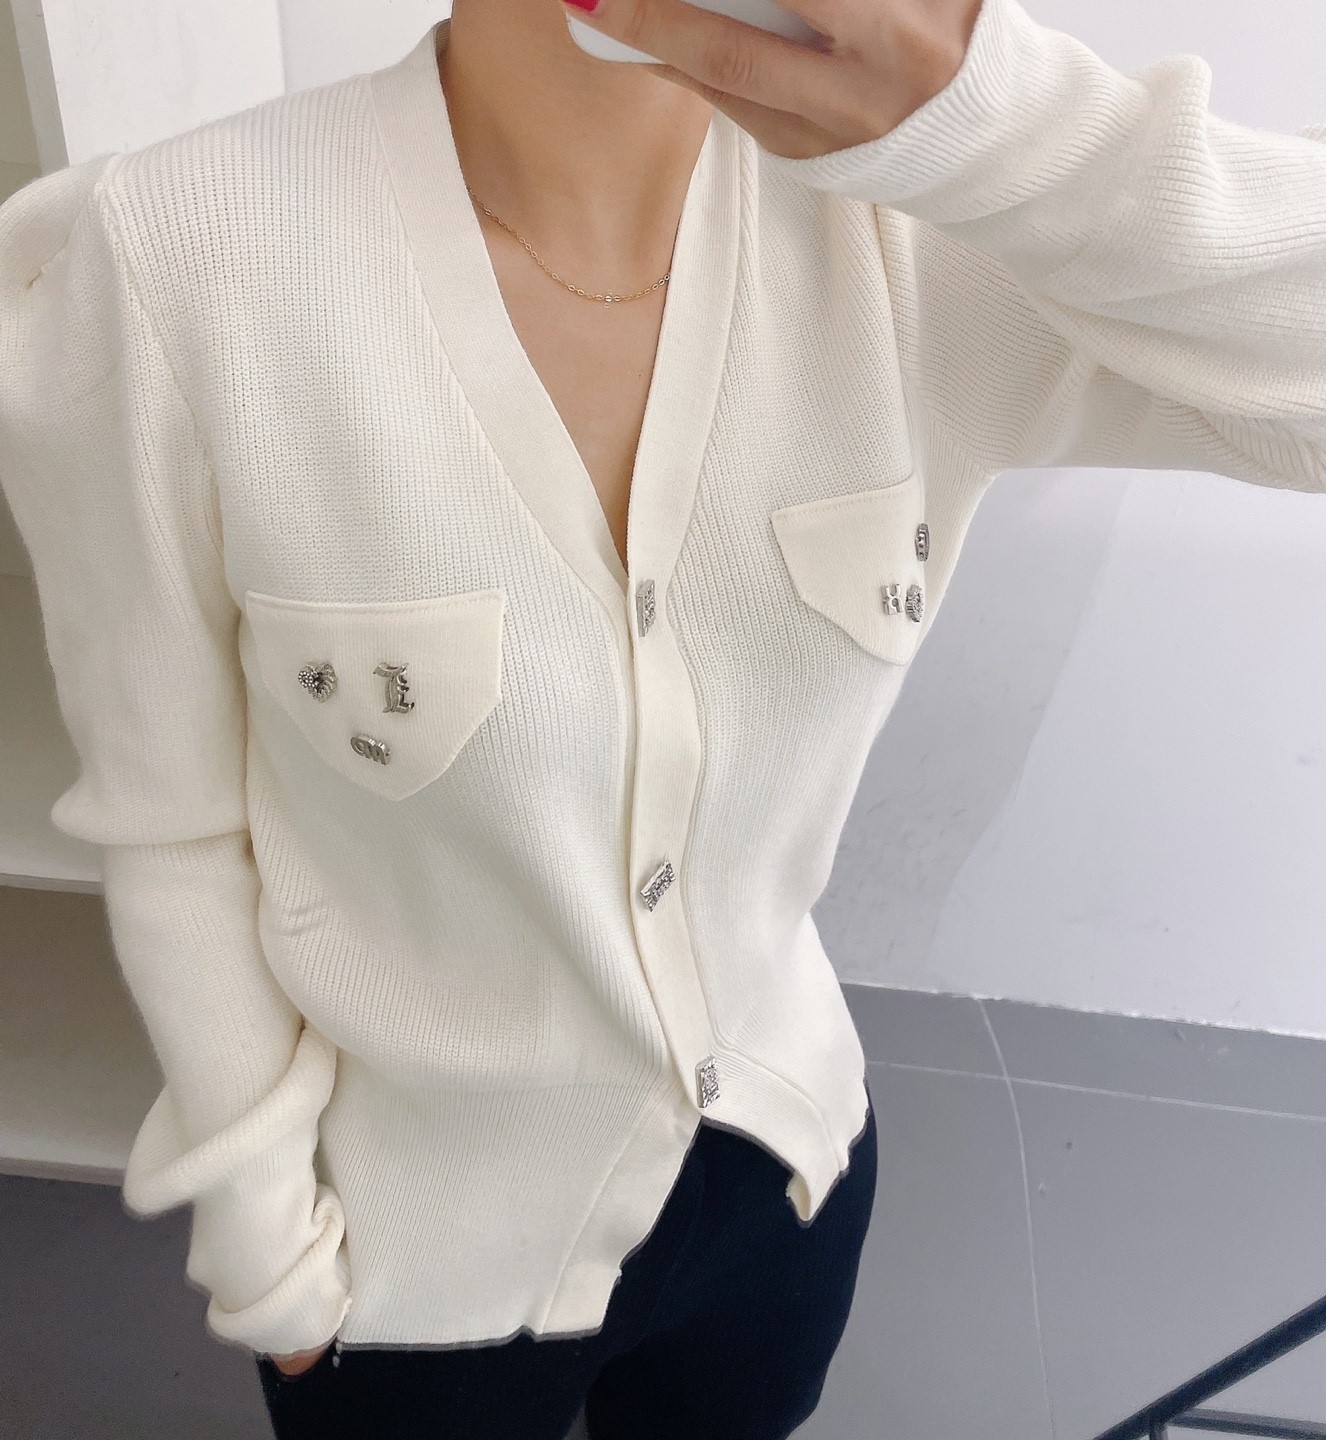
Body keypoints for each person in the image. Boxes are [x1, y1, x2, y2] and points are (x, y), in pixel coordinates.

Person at [0, 0, 1322, 1433]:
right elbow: (173, 825)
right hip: (410, 1276)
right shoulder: (175, 261)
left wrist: (991, 115)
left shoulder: (926, 240)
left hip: (784, 1181)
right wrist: (270, 1258)